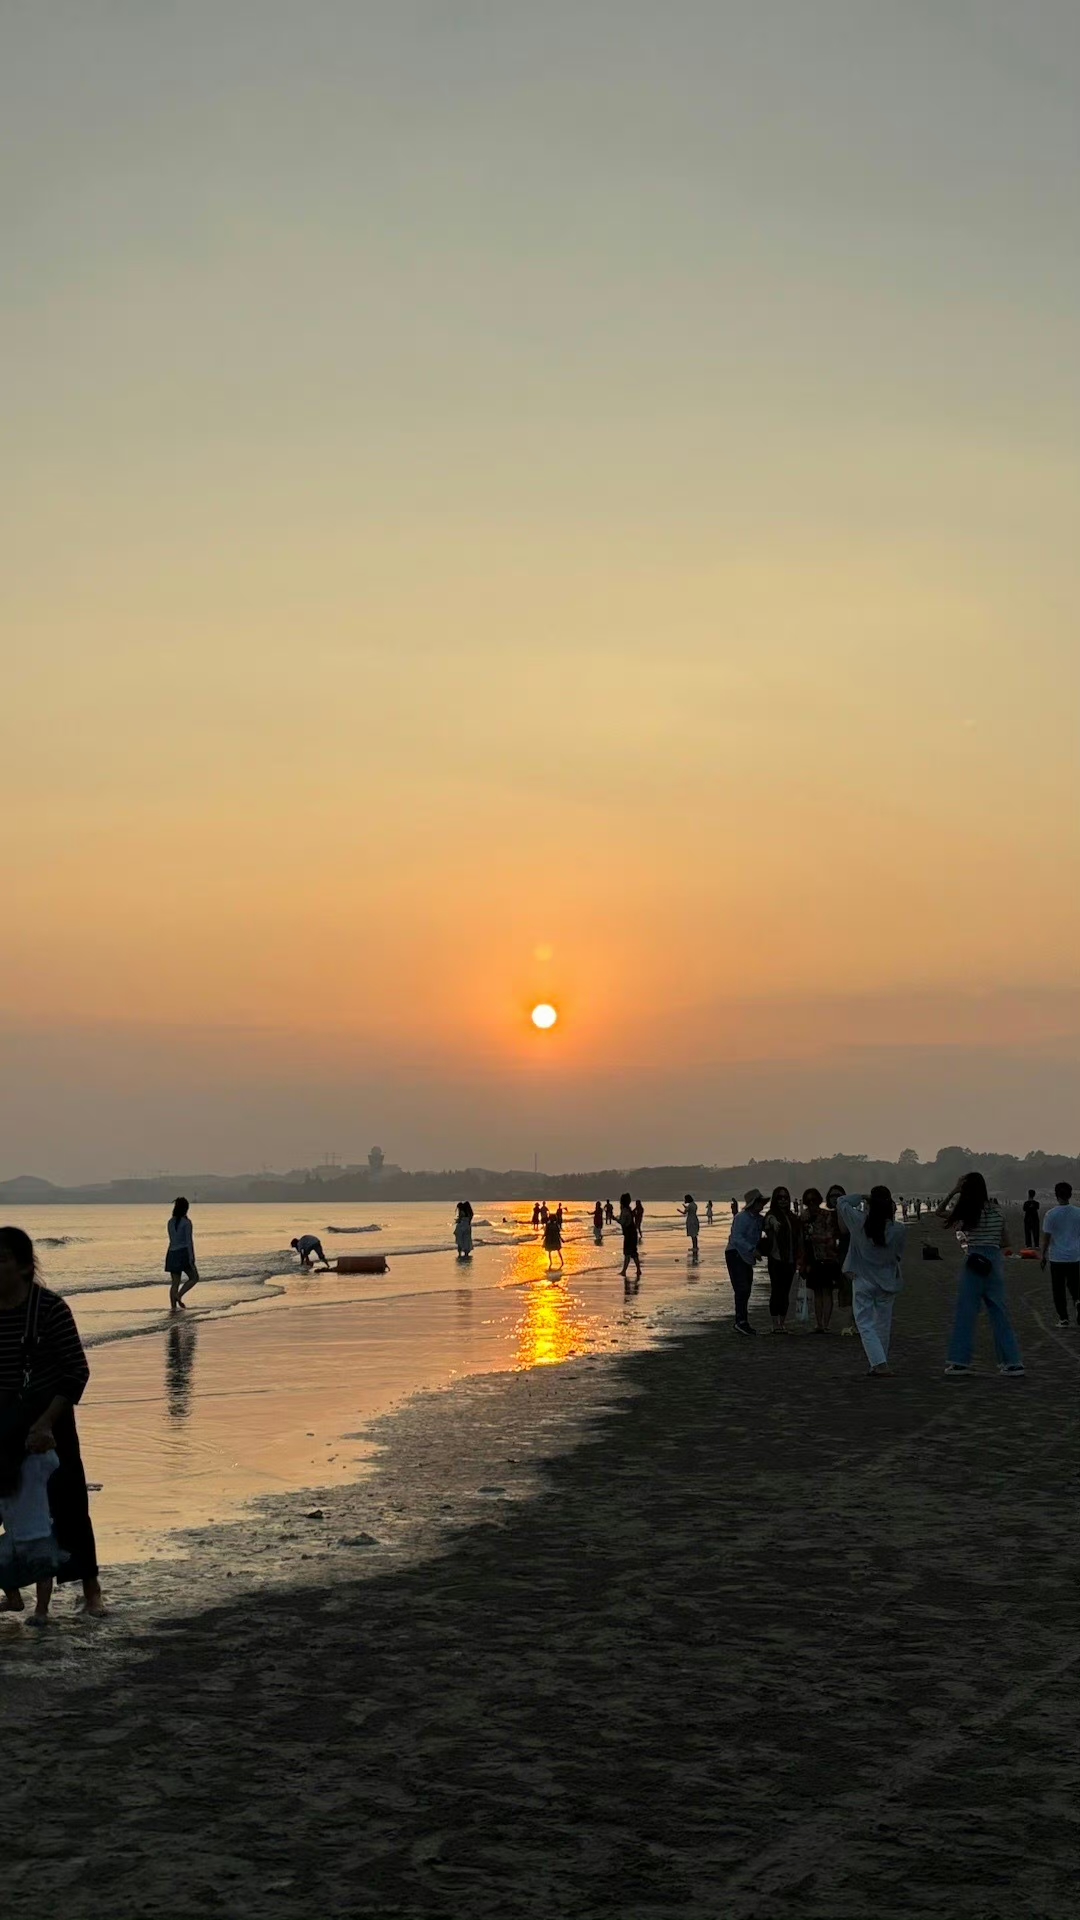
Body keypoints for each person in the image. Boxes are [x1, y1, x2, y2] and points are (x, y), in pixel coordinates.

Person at [0, 1227, 103, 1616]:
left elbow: (77, 1371)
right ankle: (11, 1589)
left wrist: (45, 1423)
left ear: (25, 1267)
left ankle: (91, 1590)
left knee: (69, 1502)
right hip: (3, 1420)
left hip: (51, 1417)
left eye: (2, 1260)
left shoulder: (51, 1309)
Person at [938, 1172, 1023, 1376]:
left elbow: (940, 1211)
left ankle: (960, 1361)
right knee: (999, 1312)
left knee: (966, 1312)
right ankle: (1012, 1362)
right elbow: (1006, 1242)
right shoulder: (997, 1210)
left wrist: (954, 1190)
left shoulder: (966, 1211)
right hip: (994, 1261)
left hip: (974, 1259)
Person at [836, 1188, 905, 1376]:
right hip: (887, 1279)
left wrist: (862, 1196)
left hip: (863, 1278)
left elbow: (841, 1201)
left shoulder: (859, 1222)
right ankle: (879, 1362)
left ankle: (879, 1363)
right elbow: (898, 1255)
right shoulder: (898, 1229)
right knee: (882, 1323)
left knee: (865, 1323)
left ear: (870, 1204)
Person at [0, 1431, 67, 1623]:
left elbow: (53, 1462)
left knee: (43, 1572)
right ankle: (14, 1599)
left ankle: (41, 1611)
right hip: (12, 1538)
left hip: (39, 1534)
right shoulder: (3, 1479)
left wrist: (48, 1444)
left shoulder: (33, 1466)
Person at [799, 1187, 842, 1333]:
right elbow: (801, 1240)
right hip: (812, 1259)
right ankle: (819, 1324)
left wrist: (814, 1238)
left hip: (828, 1257)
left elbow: (831, 1235)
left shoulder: (826, 1215)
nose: (811, 1203)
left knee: (827, 1291)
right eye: (809, 1201)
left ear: (818, 1200)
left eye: (814, 1200)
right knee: (817, 1292)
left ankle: (826, 1323)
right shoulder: (803, 1217)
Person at [725, 1187, 767, 1335]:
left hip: (746, 1256)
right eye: (760, 1202)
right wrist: (752, 1249)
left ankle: (742, 1320)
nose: (762, 1205)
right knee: (742, 1288)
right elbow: (736, 1238)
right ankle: (740, 1321)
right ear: (753, 1203)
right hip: (735, 1254)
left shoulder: (759, 1219)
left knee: (746, 1288)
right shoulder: (742, 1217)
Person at [1040, 1180, 1080, 1328]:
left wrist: (1043, 1255)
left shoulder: (1051, 1214)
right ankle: (1077, 1301)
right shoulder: (1078, 1213)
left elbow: (1046, 1238)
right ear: (1070, 1195)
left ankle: (1063, 1318)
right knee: (1075, 1285)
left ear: (1056, 1195)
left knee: (1058, 1289)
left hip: (1057, 1257)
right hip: (1075, 1256)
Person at [763, 1186, 797, 1332]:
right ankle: (774, 1324)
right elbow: (768, 1221)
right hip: (776, 1259)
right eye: (780, 1197)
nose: (783, 1200)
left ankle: (782, 1323)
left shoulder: (792, 1217)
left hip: (790, 1259)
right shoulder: (772, 1215)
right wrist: (774, 1223)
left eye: (785, 1197)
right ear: (775, 1200)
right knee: (776, 1290)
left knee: (786, 1291)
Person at [826, 1184, 855, 1336]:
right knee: (838, 1291)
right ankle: (847, 1323)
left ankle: (851, 1323)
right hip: (831, 1256)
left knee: (850, 1288)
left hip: (848, 1254)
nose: (835, 1198)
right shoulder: (826, 1215)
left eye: (838, 1195)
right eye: (832, 1196)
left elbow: (845, 1231)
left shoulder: (849, 1213)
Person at [166, 1197, 199, 1312]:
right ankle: (179, 1295)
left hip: (171, 1252)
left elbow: (171, 1239)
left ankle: (173, 1308)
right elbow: (189, 1241)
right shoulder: (186, 1222)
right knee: (194, 1277)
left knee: (175, 1282)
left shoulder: (170, 1222)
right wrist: (191, 1257)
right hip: (183, 1252)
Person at [618, 1193, 641, 1282]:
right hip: (633, 1233)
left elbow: (623, 1222)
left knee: (627, 1252)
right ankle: (638, 1269)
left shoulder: (624, 1210)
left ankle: (624, 1271)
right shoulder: (629, 1210)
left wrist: (615, 1219)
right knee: (633, 1252)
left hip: (629, 1234)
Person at [679, 1194, 700, 1261]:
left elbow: (685, 1212)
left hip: (691, 1220)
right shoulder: (694, 1204)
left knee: (692, 1234)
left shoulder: (690, 1205)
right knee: (695, 1234)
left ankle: (694, 1247)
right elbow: (690, 1209)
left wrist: (679, 1210)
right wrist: (685, 1206)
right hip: (695, 1219)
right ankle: (695, 1246)